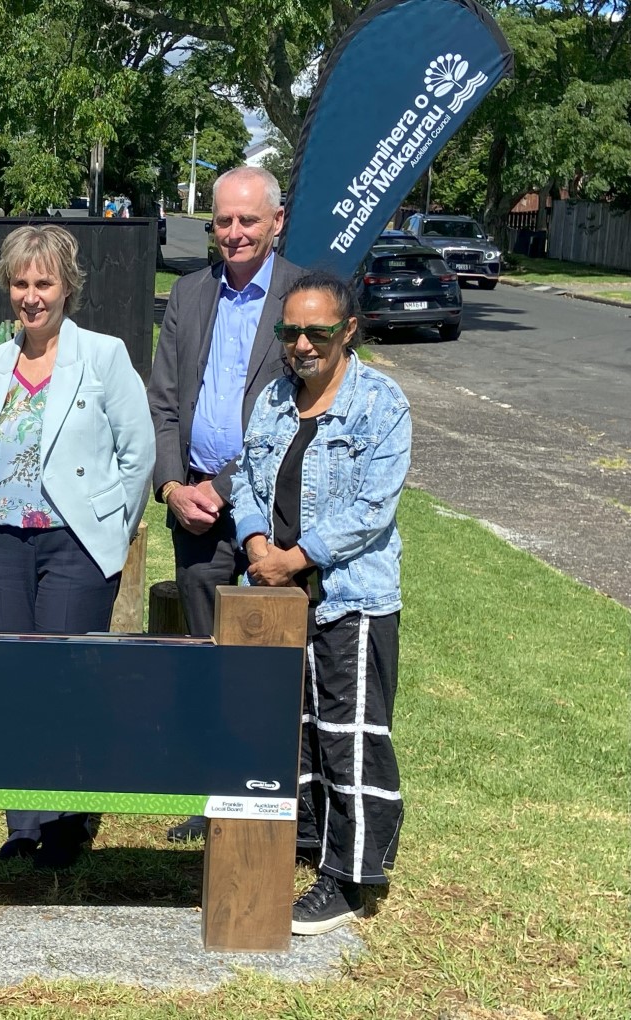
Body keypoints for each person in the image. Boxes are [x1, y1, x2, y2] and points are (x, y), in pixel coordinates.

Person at [230, 270, 410, 935]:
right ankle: (308, 842)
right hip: (274, 597)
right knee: (291, 730)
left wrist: (293, 559)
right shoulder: (275, 398)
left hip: (349, 597)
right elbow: (248, 475)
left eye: (317, 332)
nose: (301, 344)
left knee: (347, 734)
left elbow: (371, 509)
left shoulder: (380, 404)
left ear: (348, 331)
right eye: (290, 331)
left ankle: (351, 876)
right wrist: (254, 542)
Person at [0, 224, 154, 869]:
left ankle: (66, 820)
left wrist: (109, 527)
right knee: (16, 683)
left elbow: (139, 454)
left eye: (43, 282)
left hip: (75, 548)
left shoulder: (104, 356)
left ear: (67, 287)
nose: (31, 296)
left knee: (67, 682)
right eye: (20, 283)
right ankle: (22, 822)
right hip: (3, 542)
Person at [147, 165, 305, 841]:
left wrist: (228, 485)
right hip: (196, 511)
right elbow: (161, 403)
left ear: (276, 222)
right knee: (208, 655)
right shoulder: (188, 294)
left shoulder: (305, 296)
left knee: (271, 661)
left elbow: (304, 414)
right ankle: (214, 796)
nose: (234, 233)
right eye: (223, 221)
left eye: (248, 220)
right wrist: (171, 486)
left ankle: (281, 802)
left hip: (271, 512)